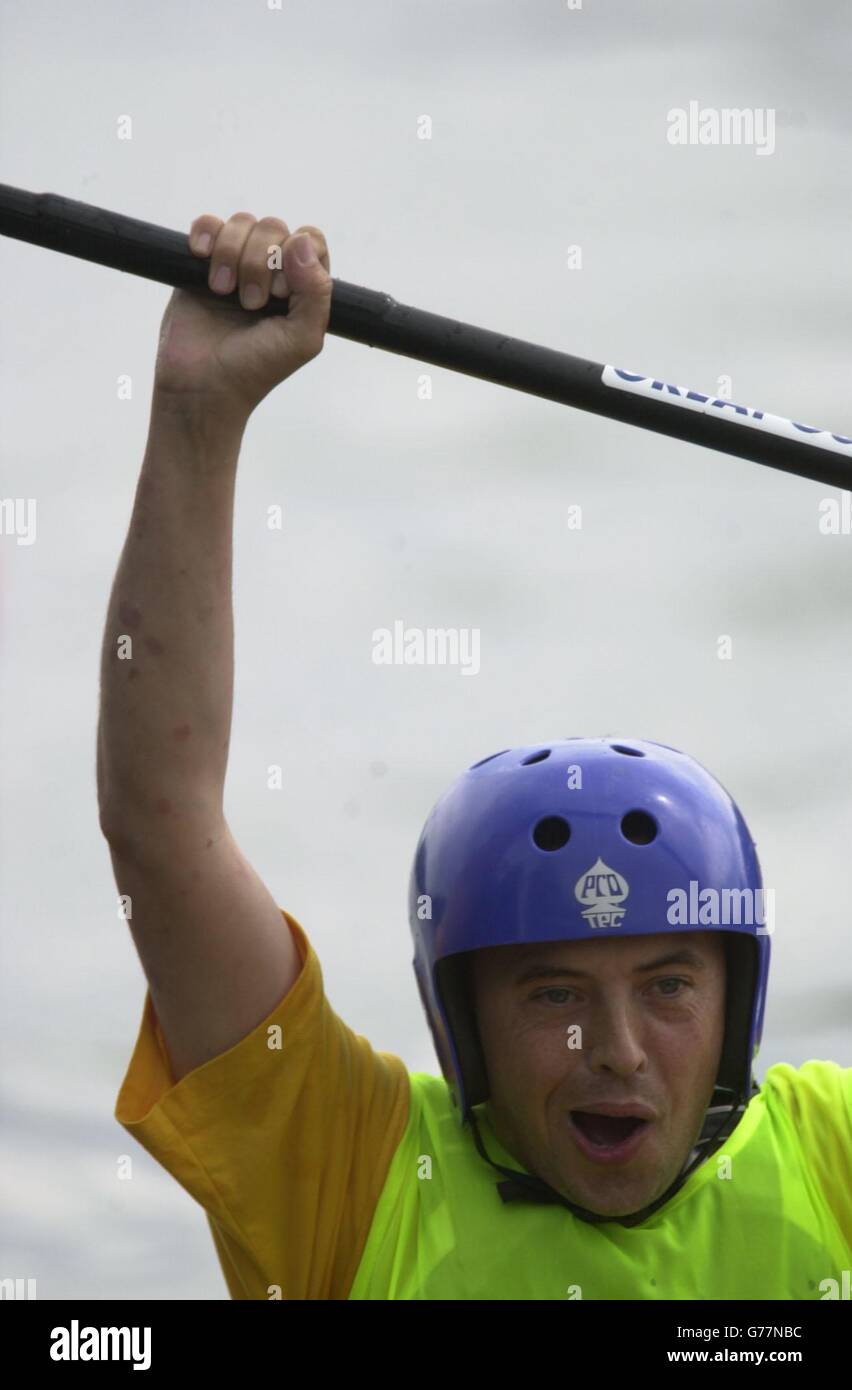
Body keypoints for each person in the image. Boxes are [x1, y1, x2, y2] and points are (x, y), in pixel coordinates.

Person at [100, 211, 851, 1301]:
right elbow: (161, 828)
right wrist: (197, 417)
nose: (621, 1050)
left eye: (671, 983)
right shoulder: (352, 1177)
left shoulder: (828, 1162)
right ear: (463, 1036)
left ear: (741, 1002)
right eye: (553, 994)